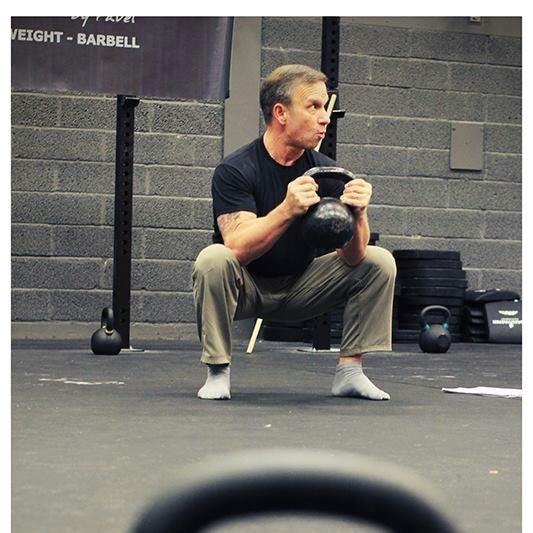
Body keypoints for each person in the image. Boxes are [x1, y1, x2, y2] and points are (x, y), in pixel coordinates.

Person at [192, 64, 396, 401]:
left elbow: (354, 259)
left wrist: (359, 216)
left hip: (303, 286)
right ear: (281, 113)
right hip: (247, 288)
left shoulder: (327, 172)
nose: (325, 118)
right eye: (313, 106)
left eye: (324, 107)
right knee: (212, 259)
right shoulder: (236, 170)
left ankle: (350, 372)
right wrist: (287, 209)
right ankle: (218, 371)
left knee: (379, 261)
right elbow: (237, 247)